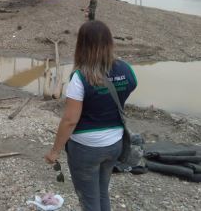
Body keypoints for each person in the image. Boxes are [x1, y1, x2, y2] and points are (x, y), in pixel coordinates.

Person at [44, 21, 138, 211]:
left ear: (82, 45)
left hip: (86, 149)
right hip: (115, 144)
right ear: (109, 42)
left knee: (88, 200)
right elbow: (130, 87)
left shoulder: (80, 77)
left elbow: (70, 120)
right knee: (102, 192)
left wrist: (55, 151)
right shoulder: (126, 69)